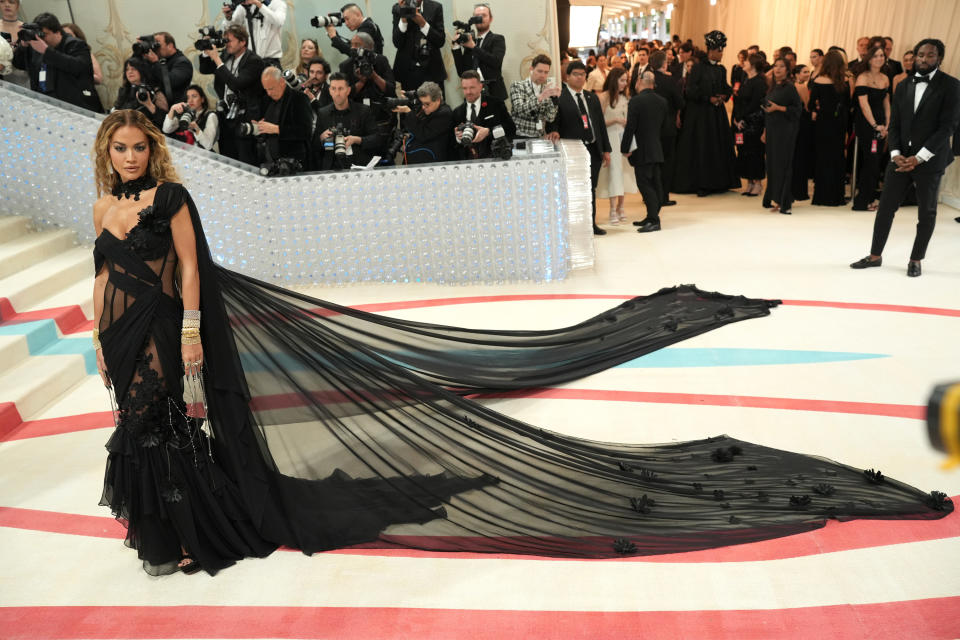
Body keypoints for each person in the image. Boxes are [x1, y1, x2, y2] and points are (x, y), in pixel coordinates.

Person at [91, 112, 953, 577]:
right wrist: (100, 339)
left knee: (163, 424)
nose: (130, 155)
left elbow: (194, 277)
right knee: (152, 431)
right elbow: (102, 279)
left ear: (153, 150)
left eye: (139, 145)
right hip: (120, 335)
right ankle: (167, 529)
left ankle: (177, 536)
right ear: (107, 152)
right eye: (119, 147)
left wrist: (196, 336)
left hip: (170, 333)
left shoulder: (171, 201)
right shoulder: (104, 209)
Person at [850, 39, 960, 278]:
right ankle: (875, 256)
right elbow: (896, 123)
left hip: (930, 159)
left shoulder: (951, 86)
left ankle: (916, 259)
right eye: (920, 54)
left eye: (929, 55)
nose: (923, 59)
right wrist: (896, 153)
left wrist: (919, 158)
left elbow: (947, 127)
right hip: (900, 159)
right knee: (885, 208)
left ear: (939, 58)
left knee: (927, 213)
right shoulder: (903, 84)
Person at [546, 60, 611, 235]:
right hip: (573, 150)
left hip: (593, 148)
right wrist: (553, 131)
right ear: (567, 77)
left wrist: (606, 150)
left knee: (591, 188)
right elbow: (553, 123)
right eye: (576, 74)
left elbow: (600, 125)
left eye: (583, 74)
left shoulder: (591, 97)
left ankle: (591, 224)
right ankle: (574, 226)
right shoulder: (560, 98)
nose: (580, 77)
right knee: (574, 188)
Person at [673, 31, 738, 197]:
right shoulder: (698, 68)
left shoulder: (721, 69)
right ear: (711, 50)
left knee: (718, 147)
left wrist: (724, 95)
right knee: (703, 147)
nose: (722, 53)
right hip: (701, 115)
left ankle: (719, 182)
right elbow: (690, 90)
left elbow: (726, 87)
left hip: (717, 116)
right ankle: (703, 183)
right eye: (720, 50)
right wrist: (708, 98)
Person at [198, 24, 265, 165]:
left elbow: (236, 84)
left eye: (229, 40)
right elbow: (204, 69)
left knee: (246, 161)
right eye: (225, 40)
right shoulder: (226, 55)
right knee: (228, 158)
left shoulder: (254, 61)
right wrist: (206, 50)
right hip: (226, 115)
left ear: (242, 42)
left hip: (245, 116)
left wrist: (217, 59)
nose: (226, 44)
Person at [12, 11, 102, 112]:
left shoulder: (75, 44)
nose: (42, 38)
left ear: (57, 32)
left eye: (44, 34)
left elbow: (79, 68)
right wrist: (23, 45)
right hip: (47, 106)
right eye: (39, 34)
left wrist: (46, 51)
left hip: (77, 106)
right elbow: (18, 64)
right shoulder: (36, 45)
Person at [622, 71, 668, 233]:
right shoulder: (662, 101)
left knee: (645, 185)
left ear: (640, 81)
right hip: (656, 148)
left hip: (641, 150)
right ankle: (650, 216)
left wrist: (624, 148)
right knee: (654, 184)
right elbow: (664, 127)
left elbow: (630, 127)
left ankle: (654, 220)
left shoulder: (636, 101)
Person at [311, 72, 381, 171]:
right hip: (331, 167)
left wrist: (357, 139)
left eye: (341, 89)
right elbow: (314, 146)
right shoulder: (323, 113)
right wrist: (322, 137)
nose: (337, 93)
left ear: (348, 90)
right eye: (334, 89)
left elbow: (377, 139)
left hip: (358, 165)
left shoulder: (363, 111)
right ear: (329, 91)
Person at [596, 67, 638, 224]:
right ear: (614, 80)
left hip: (623, 138)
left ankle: (621, 207)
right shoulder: (603, 97)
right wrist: (615, 120)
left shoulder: (626, 98)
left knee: (625, 172)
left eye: (626, 80)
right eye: (622, 80)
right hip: (610, 138)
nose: (624, 83)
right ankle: (612, 209)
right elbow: (598, 123)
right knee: (614, 173)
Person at [851, 45, 890, 211]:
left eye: (882, 55)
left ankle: (869, 198)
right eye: (875, 56)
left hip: (882, 125)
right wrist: (875, 125)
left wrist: (887, 124)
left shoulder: (885, 78)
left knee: (875, 162)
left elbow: (886, 103)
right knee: (871, 162)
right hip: (867, 124)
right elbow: (864, 104)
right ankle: (862, 202)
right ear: (869, 58)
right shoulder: (862, 78)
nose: (879, 58)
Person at [761, 58, 802, 215]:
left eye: (781, 67)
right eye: (775, 66)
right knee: (772, 165)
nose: (777, 69)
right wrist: (765, 131)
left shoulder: (790, 87)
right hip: (772, 129)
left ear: (787, 70)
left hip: (786, 131)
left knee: (783, 165)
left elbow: (797, 110)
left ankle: (785, 202)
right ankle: (776, 198)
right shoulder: (772, 87)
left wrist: (778, 108)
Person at [253, 66, 314, 171]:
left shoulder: (299, 99)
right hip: (269, 163)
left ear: (282, 82)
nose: (269, 93)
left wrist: (277, 129)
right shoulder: (266, 100)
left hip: (293, 164)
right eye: (266, 89)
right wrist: (259, 128)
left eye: (271, 88)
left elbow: (306, 131)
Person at [810, 50, 850, 206]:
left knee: (822, 157)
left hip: (823, 123)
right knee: (837, 157)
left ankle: (821, 196)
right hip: (839, 123)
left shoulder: (818, 80)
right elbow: (848, 104)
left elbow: (811, 104)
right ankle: (836, 196)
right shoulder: (844, 81)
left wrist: (819, 108)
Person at [451, 70, 515, 160]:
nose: (468, 92)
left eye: (472, 87)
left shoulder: (496, 104)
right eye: (465, 88)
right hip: (468, 162)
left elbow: (511, 128)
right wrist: (458, 138)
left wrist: (489, 131)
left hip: (495, 158)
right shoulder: (457, 112)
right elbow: (451, 144)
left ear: (481, 86)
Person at [451, 3, 506, 101]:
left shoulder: (497, 39)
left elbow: (496, 61)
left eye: (484, 15)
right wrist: (456, 46)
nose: (480, 18)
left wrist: (474, 47)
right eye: (477, 16)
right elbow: (462, 72)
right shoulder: (470, 41)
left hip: (493, 93)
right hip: (472, 94)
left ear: (491, 19)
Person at [391, 0, 446, 94]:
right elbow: (397, 43)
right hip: (408, 72)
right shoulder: (398, 9)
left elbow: (440, 41)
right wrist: (403, 20)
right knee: (410, 107)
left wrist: (423, 24)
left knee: (436, 106)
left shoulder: (435, 7)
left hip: (432, 70)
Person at [394, 80, 454, 163]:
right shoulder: (425, 106)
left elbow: (423, 135)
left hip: (431, 162)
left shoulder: (445, 113)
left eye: (427, 104)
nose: (423, 107)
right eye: (422, 103)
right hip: (415, 158)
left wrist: (408, 112)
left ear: (438, 100)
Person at [650, 50, 682, 206]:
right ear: (664, 63)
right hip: (667, 126)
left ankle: (650, 195)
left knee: (652, 162)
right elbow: (680, 102)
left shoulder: (646, 79)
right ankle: (663, 197)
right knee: (667, 162)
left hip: (650, 127)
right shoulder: (670, 81)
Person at [733, 52, 767, 197]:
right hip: (741, 123)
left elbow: (755, 103)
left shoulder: (759, 82)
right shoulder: (746, 78)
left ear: (752, 65)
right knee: (742, 150)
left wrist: (742, 117)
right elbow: (739, 100)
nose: (743, 63)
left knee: (754, 151)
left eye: (746, 61)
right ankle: (749, 182)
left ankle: (757, 183)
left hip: (753, 123)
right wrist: (736, 118)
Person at [220, 0, 287, 68]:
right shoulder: (245, 6)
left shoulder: (278, 4)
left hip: (271, 61)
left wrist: (258, 4)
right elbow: (231, 29)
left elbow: (278, 21)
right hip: (251, 61)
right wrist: (228, 18)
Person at [509, 54, 560, 139]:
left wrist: (554, 100)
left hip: (540, 136)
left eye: (546, 72)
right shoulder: (517, 86)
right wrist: (540, 97)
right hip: (520, 136)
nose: (543, 75)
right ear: (531, 69)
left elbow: (550, 118)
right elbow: (519, 109)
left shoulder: (546, 89)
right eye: (539, 71)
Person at [113, 57, 168, 129]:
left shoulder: (154, 91)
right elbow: (117, 110)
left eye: (134, 69)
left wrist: (149, 105)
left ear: (141, 71)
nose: (130, 72)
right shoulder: (124, 90)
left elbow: (164, 122)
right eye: (127, 69)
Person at [163, 84, 220, 150]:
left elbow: (208, 146)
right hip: (183, 152)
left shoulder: (211, 116)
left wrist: (196, 129)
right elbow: (166, 130)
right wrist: (172, 110)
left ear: (202, 99)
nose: (190, 100)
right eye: (188, 97)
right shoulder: (185, 112)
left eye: (194, 96)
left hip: (200, 156)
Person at [792, 64, 815, 201]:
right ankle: (800, 191)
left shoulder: (792, 85)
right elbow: (808, 105)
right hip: (803, 122)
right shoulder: (801, 87)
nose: (807, 74)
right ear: (796, 74)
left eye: (808, 72)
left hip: (796, 123)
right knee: (801, 156)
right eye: (804, 72)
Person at [151, 32, 193, 105]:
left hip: (176, 110)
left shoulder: (183, 63)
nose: (156, 48)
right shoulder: (161, 61)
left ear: (170, 46)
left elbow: (171, 82)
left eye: (158, 44)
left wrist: (155, 62)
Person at [0, 0, 29, 88]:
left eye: (11, 2)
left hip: (25, 79)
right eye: (2, 1)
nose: (7, 5)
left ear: (18, 5)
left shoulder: (27, 29)